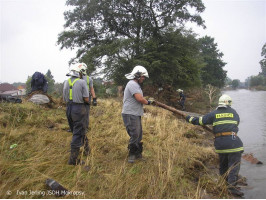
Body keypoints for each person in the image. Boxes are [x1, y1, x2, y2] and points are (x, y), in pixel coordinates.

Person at [185, 94, 244, 197]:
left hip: (220, 144)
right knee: (233, 166)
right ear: (229, 104)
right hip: (234, 143)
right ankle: (232, 188)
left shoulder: (214, 113)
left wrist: (188, 118)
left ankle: (223, 183)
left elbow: (199, 121)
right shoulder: (234, 112)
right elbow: (236, 123)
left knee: (223, 165)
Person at [122, 65, 154, 163]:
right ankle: (132, 154)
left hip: (135, 113)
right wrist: (148, 102)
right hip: (130, 113)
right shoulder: (132, 84)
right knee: (135, 134)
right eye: (143, 76)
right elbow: (139, 98)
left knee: (139, 134)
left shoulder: (136, 85)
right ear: (137, 75)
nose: (143, 78)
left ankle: (138, 154)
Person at [63, 64, 90, 165]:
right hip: (79, 109)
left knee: (77, 130)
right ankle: (73, 159)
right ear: (79, 73)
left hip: (69, 109)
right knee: (77, 133)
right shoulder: (82, 82)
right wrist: (88, 103)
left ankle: (87, 150)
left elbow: (64, 98)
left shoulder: (66, 82)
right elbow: (86, 99)